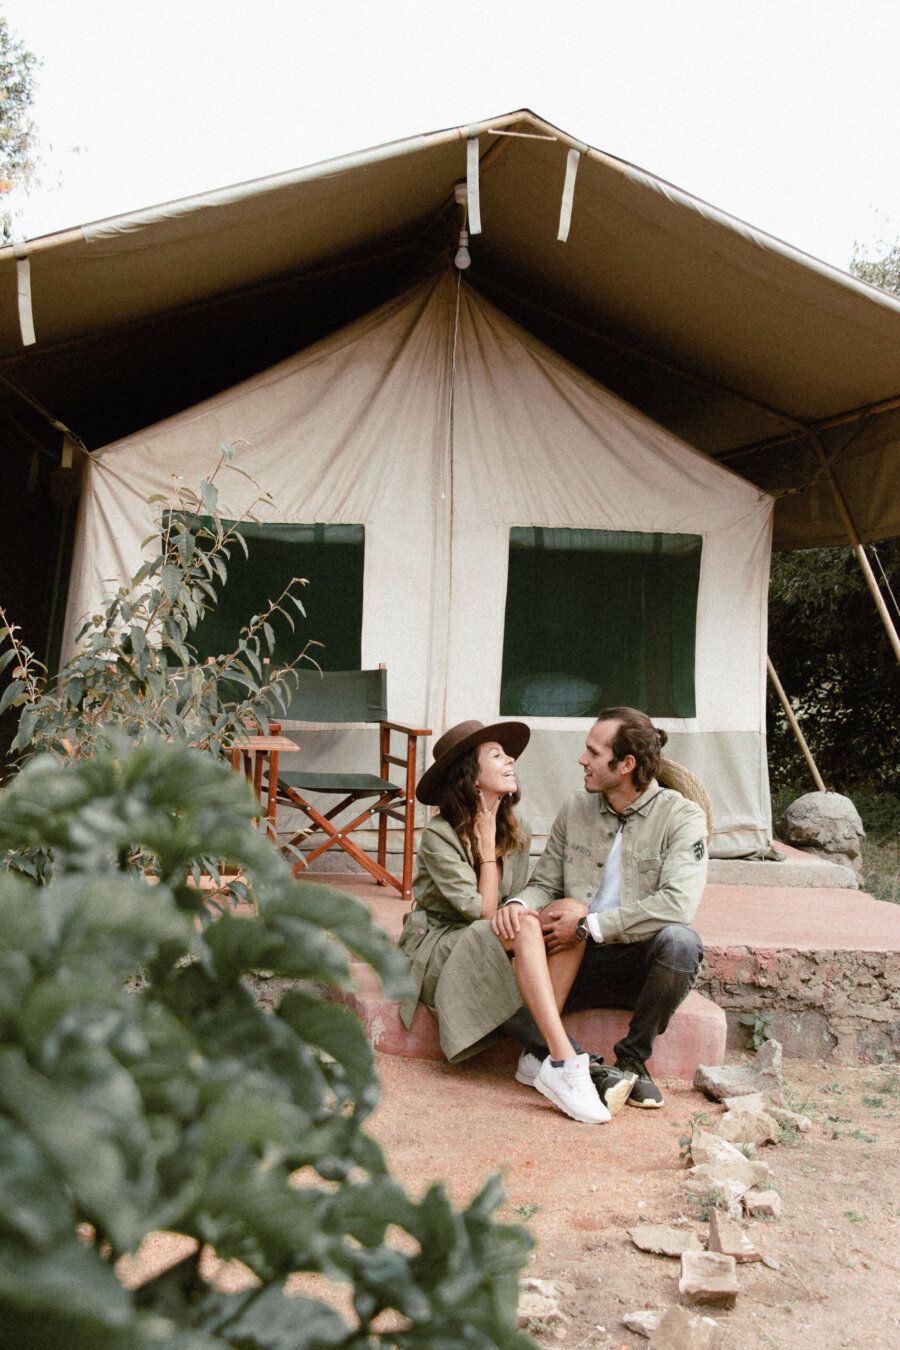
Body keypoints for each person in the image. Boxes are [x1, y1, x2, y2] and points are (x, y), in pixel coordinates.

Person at [398, 720, 612, 1124]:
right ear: (470, 777)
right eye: (496, 755)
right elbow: (483, 910)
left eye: (506, 753)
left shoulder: (518, 829)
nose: (510, 759)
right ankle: (564, 1061)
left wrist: (494, 839)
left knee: (572, 913)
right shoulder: (439, 835)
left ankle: (537, 1055)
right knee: (525, 926)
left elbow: (512, 905)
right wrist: (484, 844)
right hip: (441, 945)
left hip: (488, 934)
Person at [503, 707, 710, 1110]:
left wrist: (589, 926)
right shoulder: (575, 808)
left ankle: (632, 1059)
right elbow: (545, 884)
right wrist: (516, 905)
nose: (582, 760)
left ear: (626, 764)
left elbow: (678, 904)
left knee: (681, 943)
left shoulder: (682, 816)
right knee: (497, 970)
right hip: (573, 962)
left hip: (638, 965)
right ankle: (580, 1064)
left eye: (593, 753)